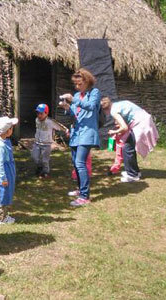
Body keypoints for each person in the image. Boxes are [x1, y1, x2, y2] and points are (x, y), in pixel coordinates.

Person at [59, 68, 101, 207]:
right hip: (76, 133)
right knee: (75, 162)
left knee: (80, 163)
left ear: (87, 81)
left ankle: (84, 196)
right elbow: (75, 113)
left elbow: (90, 106)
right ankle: (80, 189)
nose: (77, 87)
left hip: (87, 133)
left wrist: (74, 100)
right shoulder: (78, 95)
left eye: (79, 84)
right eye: (75, 84)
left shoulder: (94, 93)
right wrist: (67, 107)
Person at [101, 97, 159, 182]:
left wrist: (114, 131)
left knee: (126, 148)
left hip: (141, 123)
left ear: (105, 110)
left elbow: (124, 127)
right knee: (129, 147)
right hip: (144, 118)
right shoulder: (119, 104)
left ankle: (132, 175)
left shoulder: (113, 111)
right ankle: (135, 172)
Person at [32, 103, 68, 178]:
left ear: (46, 113)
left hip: (46, 144)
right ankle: (39, 167)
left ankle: (45, 172)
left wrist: (66, 130)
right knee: (35, 157)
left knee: (45, 160)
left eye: (41, 113)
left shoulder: (50, 122)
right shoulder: (37, 120)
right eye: (37, 113)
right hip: (37, 143)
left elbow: (59, 126)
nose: (39, 115)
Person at [0, 117, 18, 224]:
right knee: (2, 194)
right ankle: (0, 218)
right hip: (3, 173)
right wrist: (3, 178)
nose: (12, 129)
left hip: (8, 171)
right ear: (8, 131)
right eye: (12, 128)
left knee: (7, 193)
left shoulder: (4, 141)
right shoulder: (0, 146)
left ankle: (5, 215)